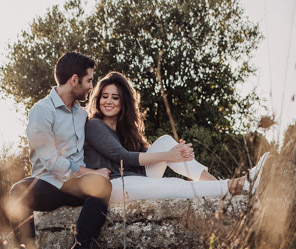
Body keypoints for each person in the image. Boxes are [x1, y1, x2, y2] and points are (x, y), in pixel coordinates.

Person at [83, 71, 270, 206]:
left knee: (165, 140)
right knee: (173, 185)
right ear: (97, 98)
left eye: (115, 97)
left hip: (136, 178)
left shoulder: (126, 130)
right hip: (114, 185)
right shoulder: (95, 125)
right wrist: (169, 156)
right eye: (104, 96)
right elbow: (123, 158)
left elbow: (140, 159)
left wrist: (176, 153)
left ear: (123, 102)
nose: (108, 101)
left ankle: (218, 185)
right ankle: (236, 186)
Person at [8, 52, 112, 249]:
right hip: (47, 183)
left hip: (75, 186)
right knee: (17, 191)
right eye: (89, 81)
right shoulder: (41, 111)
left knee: (102, 186)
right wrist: (89, 172)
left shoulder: (81, 114)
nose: (90, 87)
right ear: (74, 80)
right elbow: (51, 161)